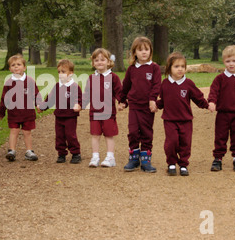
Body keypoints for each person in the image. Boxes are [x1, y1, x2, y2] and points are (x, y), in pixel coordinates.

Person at [156, 52, 208, 176]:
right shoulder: (165, 84)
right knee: (172, 142)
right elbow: (163, 101)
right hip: (169, 119)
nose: (180, 69)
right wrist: (155, 106)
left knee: (185, 142)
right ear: (169, 68)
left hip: (186, 120)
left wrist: (207, 105)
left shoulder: (188, 83)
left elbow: (198, 98)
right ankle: (171, 163)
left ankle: (183, 164)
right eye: (176, 66)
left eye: (182, 67)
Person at [119, 36, 161, 173]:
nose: (144, 52)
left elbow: (156, 85)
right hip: (134, 106)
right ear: (134, 52)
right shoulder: (132, 69)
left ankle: (146, 160)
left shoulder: (154, 68)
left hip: (147, 107)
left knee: (146, 132)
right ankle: (134, 158)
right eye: (140, 50)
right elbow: (125, 86)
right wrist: (122, 101)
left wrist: (152, 99)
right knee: (132, 132)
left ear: (150, 51)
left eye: (146, 49)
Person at [82, 48, 123, 168]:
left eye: (102, 60)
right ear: (93, 63)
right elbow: (87, 93)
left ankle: (110, 157)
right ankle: (95, 157)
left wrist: (121, 102)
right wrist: (82, 104)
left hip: (108, 113)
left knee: (109, 135)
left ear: (109, 62)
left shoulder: (113, 77)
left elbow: (119, 92)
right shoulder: (91, 78)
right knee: (95, 135)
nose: (99, 62)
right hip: (95, 112)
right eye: (96, 60)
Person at [0, 54, 42, 161]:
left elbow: (36, 94)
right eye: (13, 65)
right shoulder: (8, 83)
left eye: (19, 64)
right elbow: (4, 98)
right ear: (9, 69)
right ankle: (12, 150)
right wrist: (1, 112)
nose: (16, 67)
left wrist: (39, 104)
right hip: (14, 113)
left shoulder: (30, 81)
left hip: (27, 113)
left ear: (24, 67)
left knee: (27, 132)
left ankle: (29, 151)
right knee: (14, 131)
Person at [37, 59, 82, 164]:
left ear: (70, 73)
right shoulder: (57, 86)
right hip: (59, 116)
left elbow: (79, 98)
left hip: (70, 116)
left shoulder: (74, 86)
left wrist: (78, 104)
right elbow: (50, 99)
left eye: (63, 72)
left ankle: (76, 153)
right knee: (59, 136)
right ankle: (61, 154)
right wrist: (43, 107)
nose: (61, 74)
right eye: (59, 72)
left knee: (70, 135)